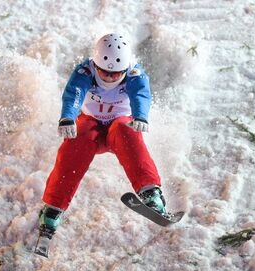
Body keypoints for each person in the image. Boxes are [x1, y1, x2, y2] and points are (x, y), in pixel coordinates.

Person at [35, 33, 167, 257]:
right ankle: (52, 209)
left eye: (115, 74)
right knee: (77, 139)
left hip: (119, 126)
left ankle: (150, 192)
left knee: (127, 131)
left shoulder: (134, 73)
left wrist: (140, 116)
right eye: (104, 72)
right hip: (91, 125)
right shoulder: (85, 71)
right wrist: (67, 117)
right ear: (95, 65)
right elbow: (74, 94)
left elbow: (140, 95)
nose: (108, 77)